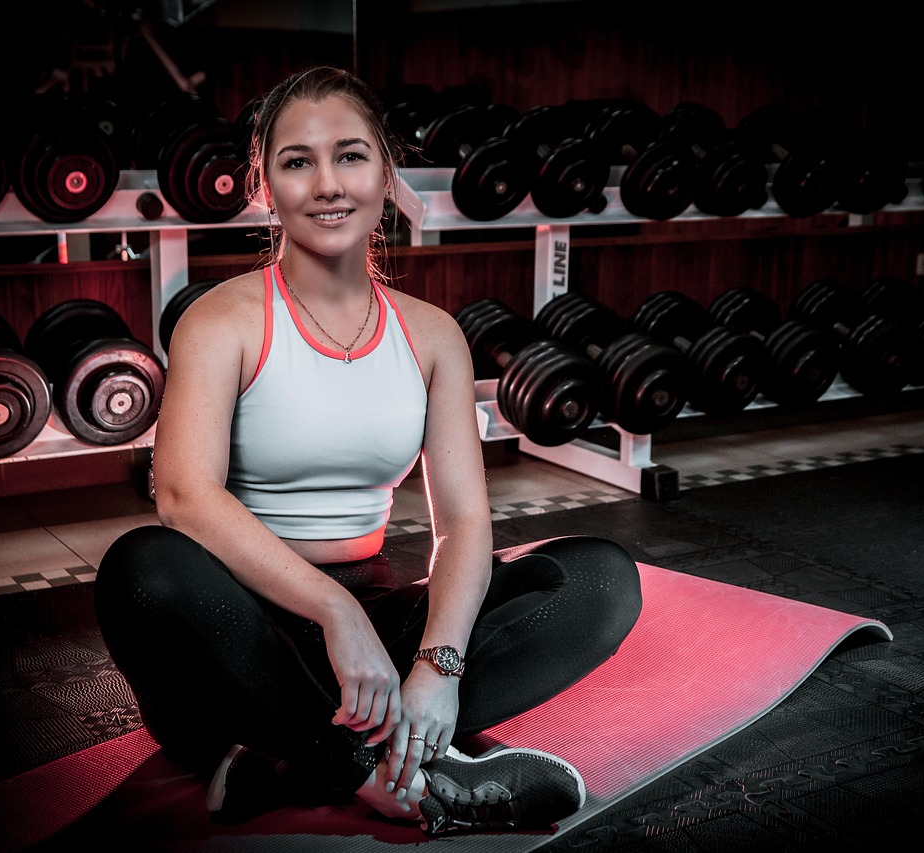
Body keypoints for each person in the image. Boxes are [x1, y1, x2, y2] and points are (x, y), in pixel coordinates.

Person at [94, 65, 643, 837]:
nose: (328, 184)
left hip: (374, 635)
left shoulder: (431, 335)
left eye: (350, 156)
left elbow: (464, 520)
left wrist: (437, 666)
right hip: (236, 632)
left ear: (387, 175)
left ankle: (291, 758)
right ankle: (393, 777)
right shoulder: (219, 321)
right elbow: (183, 495)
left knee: (599, 579)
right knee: (143, 569)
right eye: (298, 161)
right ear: (265, 186)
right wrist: (332, 608)